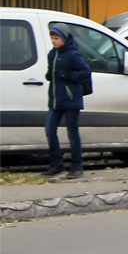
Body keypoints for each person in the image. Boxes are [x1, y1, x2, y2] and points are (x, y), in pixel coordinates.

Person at [43, 25, 91, 179]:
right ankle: (56, 164)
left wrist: (66, 75)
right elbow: (51, 72)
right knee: (50, 130)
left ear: (64, 38)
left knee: (72, 132)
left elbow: (85, 72)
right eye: (52, 38)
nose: (53, 41)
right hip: (56, 99)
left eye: (56, 38)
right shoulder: (52, 54)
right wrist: (49, 74)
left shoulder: (72, 55)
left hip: (71, 99)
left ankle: (77, 166)